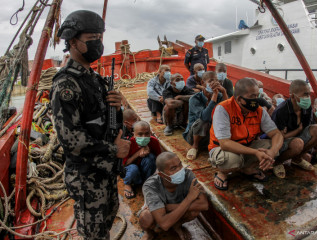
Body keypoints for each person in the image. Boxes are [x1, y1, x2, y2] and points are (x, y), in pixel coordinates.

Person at [50, 10, 130, 239]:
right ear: (73, 42)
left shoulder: (94, 79)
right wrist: (115, 149)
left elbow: (107, 123)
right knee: (94, 234)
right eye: (91, 39)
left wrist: (117, 108)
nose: (97, 44)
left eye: (100, 38)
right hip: (86, 177)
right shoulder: (66, 84)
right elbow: (71, 140)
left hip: (105, 169)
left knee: (108, 218)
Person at [208, 78, 283, 190]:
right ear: (239, 99)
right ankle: (223, 173)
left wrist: (272, 152)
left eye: (257, 95)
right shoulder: (223, 109)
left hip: (246, 146)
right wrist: (255, 152)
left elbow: (277, 134)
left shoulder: (259, 110)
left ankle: (247, 169)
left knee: (273, 146)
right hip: (222, 149)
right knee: (232, 160)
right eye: (252, 96)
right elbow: (225, 143)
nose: (257, 100)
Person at [139, 152, 208, 240]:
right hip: (158, 213)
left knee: (195, 211)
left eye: (180, 165)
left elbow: (204, 205)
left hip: (175, 208)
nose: (180, 170)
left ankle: (177, 225)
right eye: (173, 168)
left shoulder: (188, 175)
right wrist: (189, 198)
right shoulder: (151, 185)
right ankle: (149, 233)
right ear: (161, 174)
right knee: (146, 217)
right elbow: (164, 225)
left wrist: (171, 207)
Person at [272, 80, 317, 178]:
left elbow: (305, 127)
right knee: (298, 143)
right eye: (305, 95)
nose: (308, 98)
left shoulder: (307, 108)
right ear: (293, 96)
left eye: (309, 95)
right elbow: (278, 136)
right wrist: (297, 130)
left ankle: (297, 158)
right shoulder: (281, 111)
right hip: (282, 142)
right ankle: (277, 162)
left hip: (295, 137)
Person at [183, 71, 228, 160]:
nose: (214, 83)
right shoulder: (195, 98)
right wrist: (214, 96)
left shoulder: (220, 96)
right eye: (211, 81)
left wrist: (224, 92)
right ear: (203, 83)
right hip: (194, 135)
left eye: (216, 81)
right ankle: (195, 146)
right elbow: (205, 117)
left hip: (211, 134)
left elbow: (228, 110)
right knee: (203, 121)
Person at [122, 121, 161, 199]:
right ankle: (127, 184)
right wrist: (138, 153)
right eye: (140, 134)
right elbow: (124, 164)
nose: (144, 137)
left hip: (145, 169)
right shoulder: (127, 143)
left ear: (150, 133)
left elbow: (159, 158)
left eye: (147, 134)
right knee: (133, 168)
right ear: (134, 134)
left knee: (151, 157)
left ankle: (147, 182)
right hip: (131, 169)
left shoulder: (153, 141)